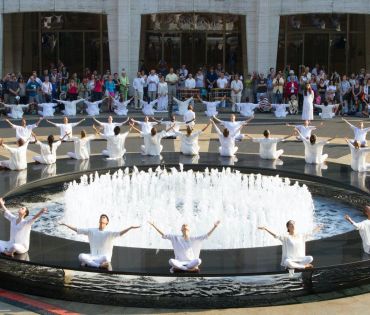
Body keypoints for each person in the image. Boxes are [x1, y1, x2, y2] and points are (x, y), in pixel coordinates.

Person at [60, 214, 140, 269]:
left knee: (107, 258)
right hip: (93, 257)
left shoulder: (109, 232)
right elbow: (77, 229)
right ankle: (98, 266)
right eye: (101, 222)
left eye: (103, 222)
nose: (101, 223)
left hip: (103, 258)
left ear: (107, 223)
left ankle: (88, 263)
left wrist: (130, 227)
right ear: (99, 221)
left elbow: (120, 233)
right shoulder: (91, 231)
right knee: (80, 256)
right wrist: (66, 224)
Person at [148, 220, 220, 273]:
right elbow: (164, 235)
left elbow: (206, 236)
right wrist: (154, 226)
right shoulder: (175, 238)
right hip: (179, 262)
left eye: (186, 226)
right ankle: (188, 270)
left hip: (190, 263)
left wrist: (214, 227)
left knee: (199, 260)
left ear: (188, 229)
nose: (185, 226)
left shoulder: (193, 239)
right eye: (183, 226)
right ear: (181, 229)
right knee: (171, 261)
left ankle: (179, 269)